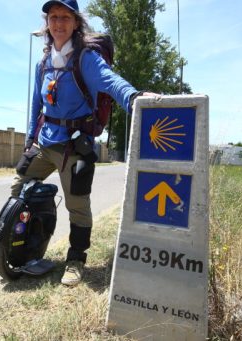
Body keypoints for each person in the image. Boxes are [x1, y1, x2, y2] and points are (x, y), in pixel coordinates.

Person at [12, 0, 158, 286]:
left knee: (77, 205)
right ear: (47, 23)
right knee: (20, 189)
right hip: (44, 142)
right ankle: (24, 247)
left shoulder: (86, 58)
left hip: (74, 147)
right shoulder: (44, 62)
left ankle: (76, 260)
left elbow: (109, 80)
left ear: (76, 22)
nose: (58, 23)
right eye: (53, 17)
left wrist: (133, 98)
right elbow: (35, 104)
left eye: (65, 17)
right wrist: (30, 139)